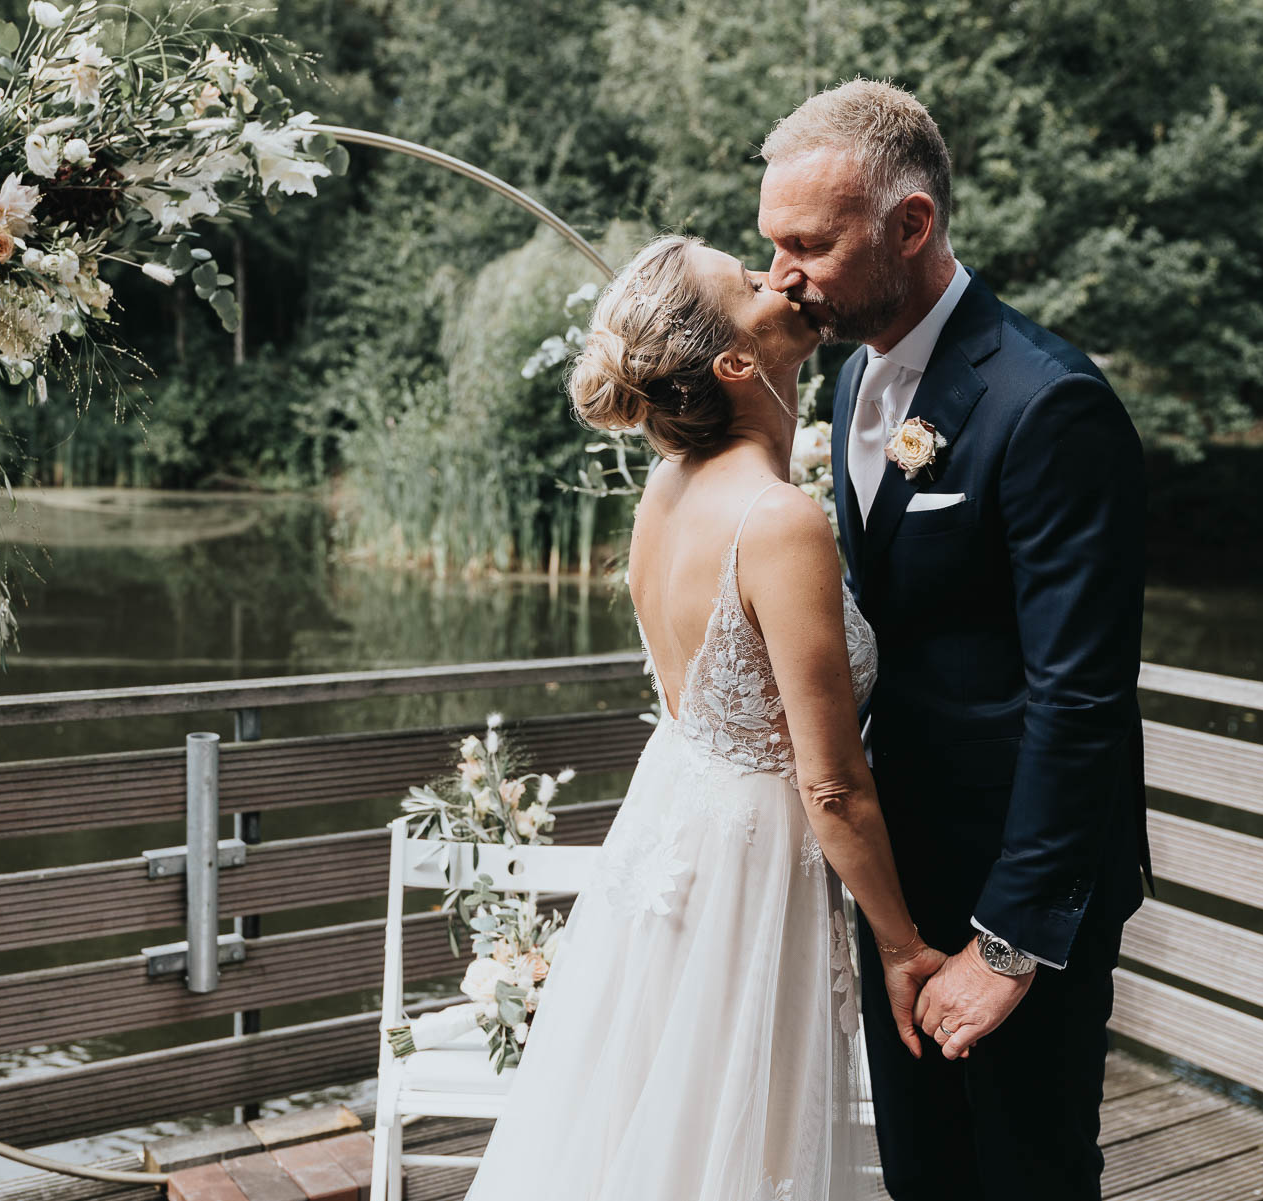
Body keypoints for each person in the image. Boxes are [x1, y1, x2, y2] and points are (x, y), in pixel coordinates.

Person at [460, 228, 926, 1200]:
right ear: (734, 361)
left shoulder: (663, 494)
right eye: (754, 280)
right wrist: (904, 947)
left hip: (674, 830)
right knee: (730, 1143)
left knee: (654, 1126)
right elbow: (833, 784)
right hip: (748, 872)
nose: (781, 278)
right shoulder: (778, 520)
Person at [758, 78, 1156, 1200]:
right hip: (905, 879)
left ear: (912, 225)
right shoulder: (849, 376)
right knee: (923, 1173)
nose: (781, 275)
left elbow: (1078, 696)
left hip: (1019, 889)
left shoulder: (1050, 403)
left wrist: (1009, 944)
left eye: (809, 245)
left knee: (1028, 1175)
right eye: (771, 245)